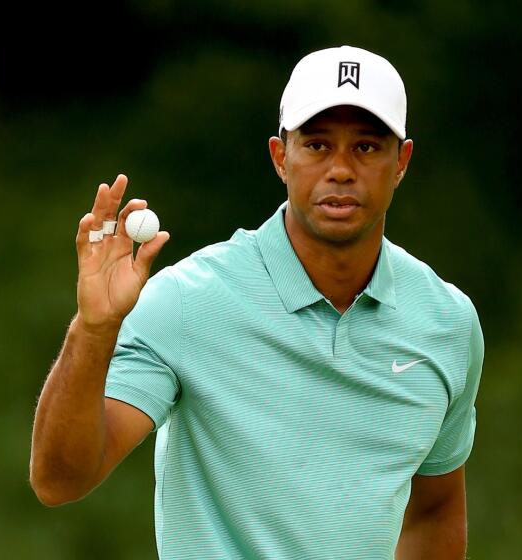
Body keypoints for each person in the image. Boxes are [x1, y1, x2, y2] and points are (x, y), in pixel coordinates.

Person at [30, 45, 484, 559]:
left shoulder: (446, 322)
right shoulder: (188, 301)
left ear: (400, 162)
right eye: (316, 145)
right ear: (280, 156)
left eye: (365, 147)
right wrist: (93, 330)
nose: (340, 169)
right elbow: (59, 479)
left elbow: (435, 511)